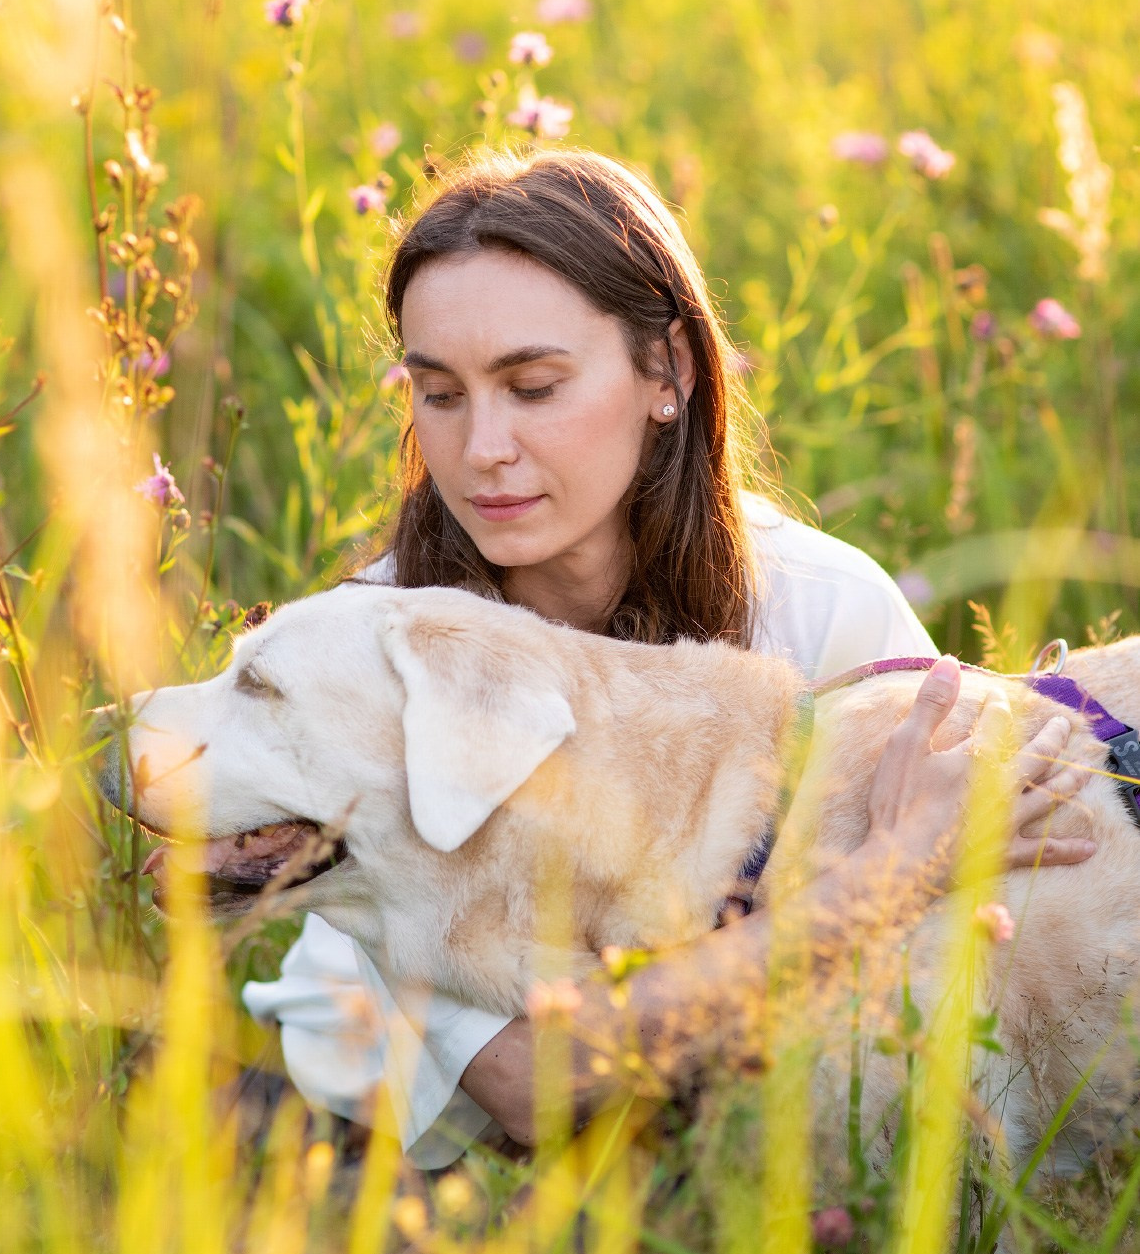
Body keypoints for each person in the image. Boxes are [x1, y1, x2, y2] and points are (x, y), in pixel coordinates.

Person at [243, 148, 1095, 1166]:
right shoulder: (379, 659)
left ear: (668, 373)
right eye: (440, 394)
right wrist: (887, 874)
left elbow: (955, 955)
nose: (480, 450)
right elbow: (528, 1084)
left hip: (748, 1137)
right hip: (390, 1154)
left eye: (533, 385)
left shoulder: (821, 612)